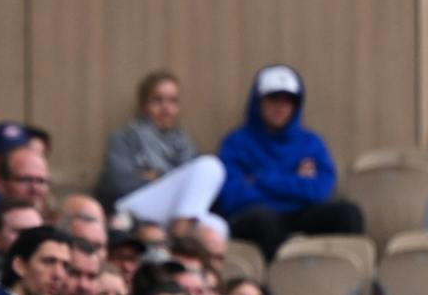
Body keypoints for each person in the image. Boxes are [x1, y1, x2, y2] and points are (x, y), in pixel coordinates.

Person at [213, 63, 361, 251]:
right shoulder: (235, 143)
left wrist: (259, 179)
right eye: (273, 98)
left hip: (301, 213)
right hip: (258, 216)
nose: (280, 107)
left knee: (348, 213)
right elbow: (233, 196)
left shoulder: (311, 142)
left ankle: (337, 275)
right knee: (262, 219)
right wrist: (295, 179)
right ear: (258, 102)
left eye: (288, 100)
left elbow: (320, 190)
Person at [94, 69, 225, 239]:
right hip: (134, 208)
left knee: (218, 227)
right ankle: (180, 232)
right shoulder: (124, 137)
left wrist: (157, 176)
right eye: (157, 100)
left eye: (172, 101)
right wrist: (172, 180)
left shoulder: (184, 143)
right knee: (210, 165)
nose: (166, 108)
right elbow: (118, 183)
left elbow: (196, 189)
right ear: (143, 105)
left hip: (173, 210)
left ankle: (179, 227)